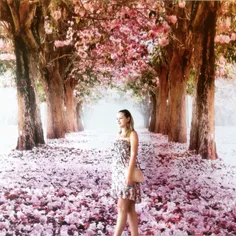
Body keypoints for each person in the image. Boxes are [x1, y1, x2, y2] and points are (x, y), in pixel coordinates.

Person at [111, 109, 141, 236]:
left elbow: (133, 155)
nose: (118, 120)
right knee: (130, 209)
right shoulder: (118, 134)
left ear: (128, 118)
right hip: (118, 175)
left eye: (121, 118)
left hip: (127, 173)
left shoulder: (132, 134)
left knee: (122, 208)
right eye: (117, 118)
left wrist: (128, 174)